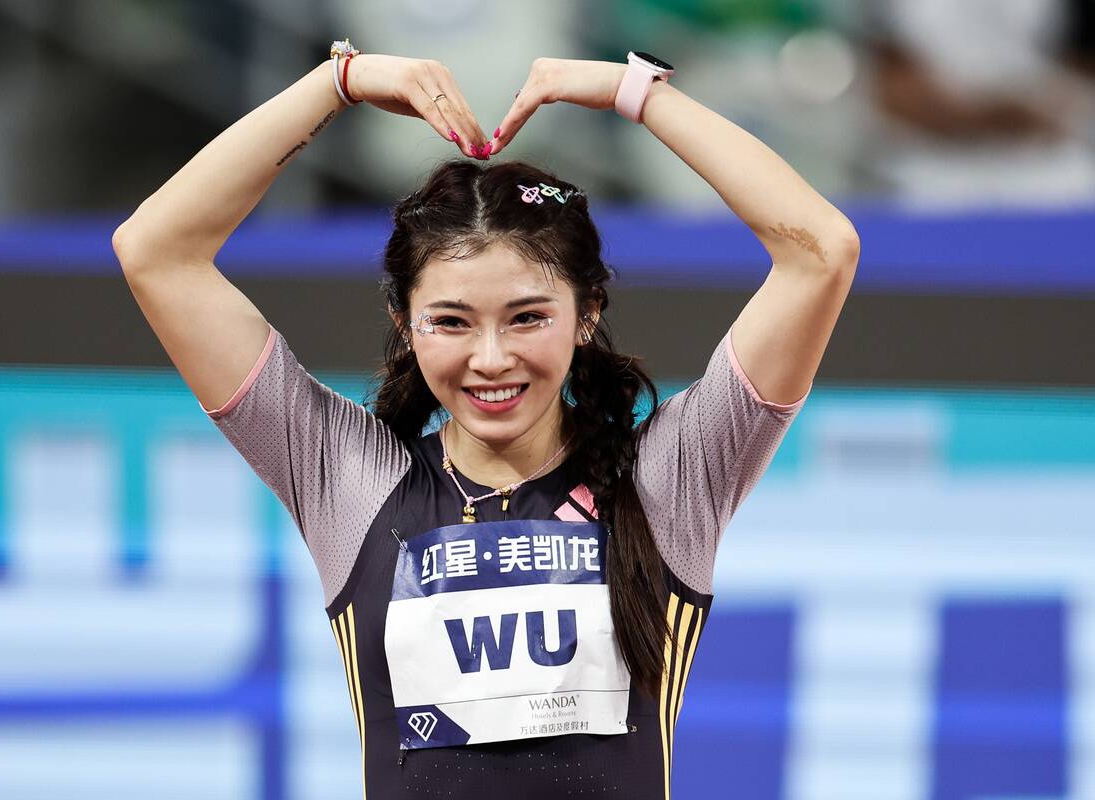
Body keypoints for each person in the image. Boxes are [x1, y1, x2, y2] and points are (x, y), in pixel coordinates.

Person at [112, 41, 859, 800]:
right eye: (452, 322)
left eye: (528, 316)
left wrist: (635, 94)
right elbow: (156, 251)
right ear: (405, 324)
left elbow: (821, 252)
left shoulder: (667, 480)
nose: (491, 358)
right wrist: (337, 81)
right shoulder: (351, 480)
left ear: (586, 313)